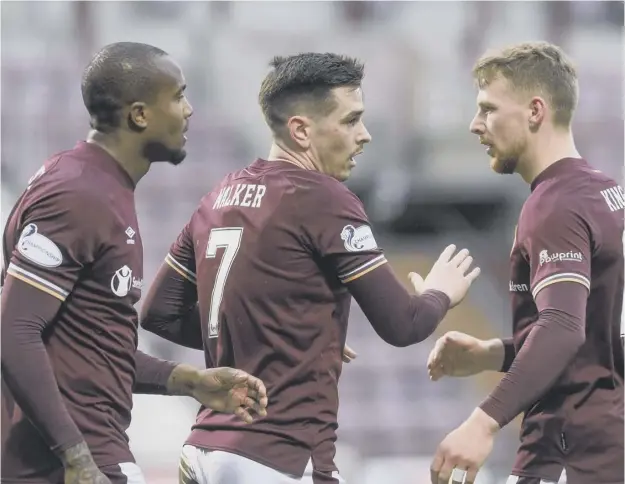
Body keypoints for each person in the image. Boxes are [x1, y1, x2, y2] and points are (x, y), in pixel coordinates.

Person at [140, 52, 481, 484]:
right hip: (275, 455)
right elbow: (404, 325)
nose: (365, 135)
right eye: (351, 120)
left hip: (203, 449)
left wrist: (283, 332)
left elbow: (159, 313)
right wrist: (439, 292)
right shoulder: (325, 198)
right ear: (302, 130)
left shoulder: (219, 196)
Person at [1, 42, 267, 484]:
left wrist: (188, 381)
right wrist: (76, 457)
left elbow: (90, 345)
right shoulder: (78, 194)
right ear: (140, 115)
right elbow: (14, 330)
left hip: (83, 451)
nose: (189, 110)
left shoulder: (95, 187)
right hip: (70, 461)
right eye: (178, 96)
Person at [428, 41, 624, 484]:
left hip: (565, 449)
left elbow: (560, 327)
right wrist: (490, 353)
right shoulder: (605, 193)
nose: (475, 125)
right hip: (607, 446)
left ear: (535, 111)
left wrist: (481, 424)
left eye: (488, 109)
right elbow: (598, 336)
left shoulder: (553, 206)